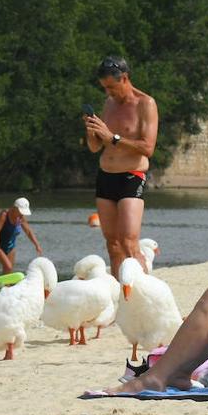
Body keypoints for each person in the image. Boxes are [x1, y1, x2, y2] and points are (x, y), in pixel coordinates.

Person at [85, 56, 158, 275]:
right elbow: (96, 147)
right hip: (106, 175)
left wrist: (113, 138)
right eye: (105, 88)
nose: (109, 92)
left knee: (128, 242)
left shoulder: (145, 103)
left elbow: (148, 147)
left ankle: (145, 294)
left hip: (131, 175)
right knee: (113, 244)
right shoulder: (109, 103)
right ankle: (121, 297)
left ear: (125, 78)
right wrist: (91, 132)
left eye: (112, 87)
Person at [0, 197, 43, 273]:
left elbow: (28, 231)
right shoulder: (4, 215)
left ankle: (6, 285)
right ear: (14, 208)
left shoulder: (21, 218)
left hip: (11, 247)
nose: (21, 214)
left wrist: (37, 245)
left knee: (9, 272)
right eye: (20, 211)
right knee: (8, 267)